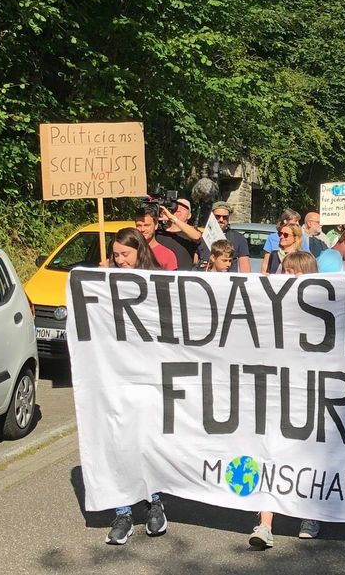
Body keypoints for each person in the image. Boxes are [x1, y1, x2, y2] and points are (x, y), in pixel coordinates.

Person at [250, 250, 322, 549]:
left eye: (293, 272)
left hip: (307, 390)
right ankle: (265, 523)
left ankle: (309, 512)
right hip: (273, 388)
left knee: (307, 451)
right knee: (269, 450)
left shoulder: (321, 311)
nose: (286, 277)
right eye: (284, 270)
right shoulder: (269, 306)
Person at [104, 228, 167, 545]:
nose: (120, 260)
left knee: (145, 443)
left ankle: (154, 503)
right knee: (119, 444)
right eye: (115, 254)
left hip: (148, 378)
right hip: (116, 377)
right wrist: (96, 283)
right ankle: (123, 513)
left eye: (125, 254)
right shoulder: (104, 282)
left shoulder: (156, 283)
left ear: (139, 252)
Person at [196, 202, 252, 272]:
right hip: (204, 279)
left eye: (225, 217)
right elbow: (194, 261)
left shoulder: (239, 238)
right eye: (217, 216)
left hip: (227, 280)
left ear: (229, 217)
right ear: (212, 216)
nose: (221, 220)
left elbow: (245, 268)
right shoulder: (201, 236)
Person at [156, 198, 201, 269]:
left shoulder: (190, 234)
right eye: (176, 207)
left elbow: (197, 237)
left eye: (183, 208)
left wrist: (173, 218)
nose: (178, 209)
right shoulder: (159, 232)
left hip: (180, 278)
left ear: (189, 215)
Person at [134, 205, 178, 271]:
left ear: (156, 225)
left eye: (147, 225)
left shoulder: (167, 255)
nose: (142, 229)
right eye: (139, 225)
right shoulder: (129, 251)